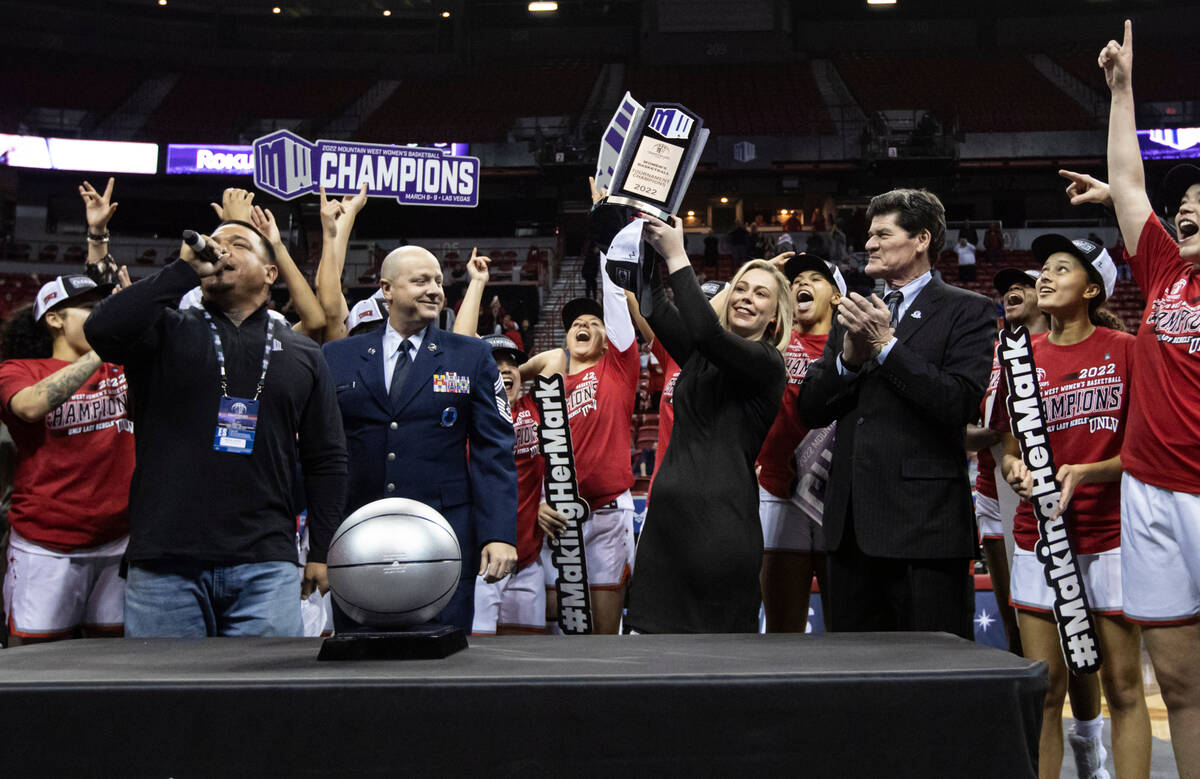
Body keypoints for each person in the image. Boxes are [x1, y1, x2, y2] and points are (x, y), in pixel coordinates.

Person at [83, 217, 348, 638]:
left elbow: (327, 458)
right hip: (165, 558)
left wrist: (323, 549)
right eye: (214, 242)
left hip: (266, 561)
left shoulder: (303, 354)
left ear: (270, 273)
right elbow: (101, 328)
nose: (219, 249)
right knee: (164, 696)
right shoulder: (165, 330)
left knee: (262, 702)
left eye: (237, 244)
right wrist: (183, 268)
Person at [1070, 21, 1200, 773]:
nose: (1184, 209)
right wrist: (1121, 92)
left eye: (1198, 203)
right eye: (1183, 201)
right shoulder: (1162, 269)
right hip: (1150, 494)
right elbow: (1128, 183)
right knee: (1180, 682)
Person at [797, 188, 996, 640]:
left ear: (922, 239)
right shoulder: (855, 310)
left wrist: (887, 347)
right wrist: (847, 362)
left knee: (932, 679)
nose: (869, 243)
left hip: (924, 530)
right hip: (850, 531)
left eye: (883, 234)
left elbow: (959, 402)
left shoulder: (969, 309)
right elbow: (810, 409)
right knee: (858, 682)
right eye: (869, 235)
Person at [995, 234, 1149, 779]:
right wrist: (1014, 468)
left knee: (1123, 687)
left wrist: (1087, 471)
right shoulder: (1017, 354)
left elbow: (1143, 450)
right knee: (1045, 690)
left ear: (1090, 288)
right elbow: (1011, 446)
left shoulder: (1126, 350)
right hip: (1039, 538)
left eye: (1061, 269)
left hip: (1109, 536)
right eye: (1044, 268)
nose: (1045, 275)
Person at [322, 245, 517, 633]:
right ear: (387, 290)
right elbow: (321, 452)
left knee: (443, 660)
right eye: (421, 281)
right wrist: (317, 543)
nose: (434, 290)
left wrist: (499, 534)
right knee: (358, 658)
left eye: (439, 282)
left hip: (445, 537)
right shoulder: (338, 356)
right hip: (358, 535)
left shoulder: (471, 356)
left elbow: (493, 451)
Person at [625, 214, 788, 634]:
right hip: (665, 529)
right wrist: (638, 239)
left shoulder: (768, 364)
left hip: (719, 530)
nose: (747, 297)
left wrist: (676, 253)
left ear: (774, 318)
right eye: (742, 288)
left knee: (720, 660)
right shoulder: (699, 358)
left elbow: (707, 332)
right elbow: (655, 306)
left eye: (762, 294)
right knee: (654, 655)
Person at [0, 276, 132, 644]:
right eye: (90, 309)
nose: (100, 316)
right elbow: (29, 406)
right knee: (34, 664)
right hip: (46, 545)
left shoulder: (120, 369)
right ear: (54, 318)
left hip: (117, 542)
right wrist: (100, 349)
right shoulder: (18, 370)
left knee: (111, 665)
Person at [758, 254, 844, 633]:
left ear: (838, 296)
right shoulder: (772, 340)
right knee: (781, 628)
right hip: (779, 493)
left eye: (815, 279)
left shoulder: (853, 347)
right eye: (794, 281)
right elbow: (717, 322)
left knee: (845, 628)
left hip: (836, 497)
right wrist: (763, 270)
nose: (801, 284)